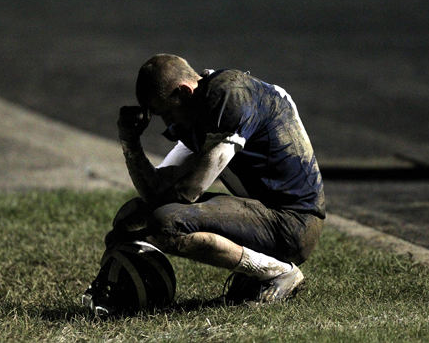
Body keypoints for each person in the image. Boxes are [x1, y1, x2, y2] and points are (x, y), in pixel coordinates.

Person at [85, 53, 325, 309]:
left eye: (166, 113)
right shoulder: (199, 109)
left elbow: (190, 191)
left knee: (166, 222)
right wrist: (130, 142)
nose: (167, 123)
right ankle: (131, 291)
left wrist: (151, 231)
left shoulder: (230, 95)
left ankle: (276, 271)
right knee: (129, 217)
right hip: (265, 212)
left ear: (184, 92)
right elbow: (154, 193)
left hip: (294, 223)